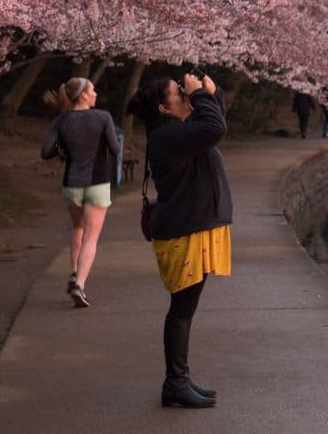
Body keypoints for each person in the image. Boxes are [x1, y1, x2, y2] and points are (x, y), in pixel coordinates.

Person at [125, 71, 232, 409]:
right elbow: (213, 128)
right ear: (163, 108)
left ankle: (179, 379)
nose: (184, 93)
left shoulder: (175, 132)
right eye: (178, 92)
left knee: (185, 309)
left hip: (190, 228)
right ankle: (175, 382)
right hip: (183, 233)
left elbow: (213, 129)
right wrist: (201, 97)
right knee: (182, 310)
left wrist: (210, 96)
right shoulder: (167, 136)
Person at [41, 77, 121, 308]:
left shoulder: (61, 120)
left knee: (78, 227)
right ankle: (80, 284)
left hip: (72, 184)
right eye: (93, 90)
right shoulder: (103, 117)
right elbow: (115, 149)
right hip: (97, 182)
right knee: (91, 237)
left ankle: (74, 272)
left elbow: (46, 152)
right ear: (84, 95)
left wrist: (65, 148)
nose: (96, 94)